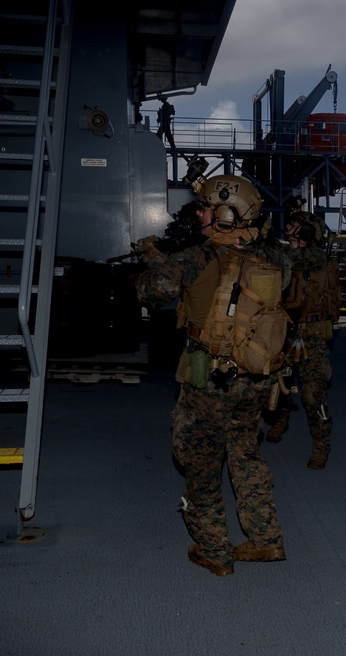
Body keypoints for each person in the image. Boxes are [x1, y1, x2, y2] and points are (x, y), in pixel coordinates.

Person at [134, 174, 290, 576]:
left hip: (210, 380)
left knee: (200, 464)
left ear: (223, 213)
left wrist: (155, 258)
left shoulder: (196, 258)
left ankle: (215, 551)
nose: (198, 212)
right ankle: (265, 539)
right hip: (255, 378)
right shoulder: (274, 258)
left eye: (205, 206)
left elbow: (151, 292)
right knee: (246, 454)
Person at [265, 211, 341, 469]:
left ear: (308, 233)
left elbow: (290, 259)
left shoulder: (316, 257)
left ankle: (322, 444)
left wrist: (263, 240)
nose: (288, 227)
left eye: (295, 225)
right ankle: (280, 419)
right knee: (279, 383)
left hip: (312, 337)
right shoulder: (282, 252)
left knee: (312, 394)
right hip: (284, 332)